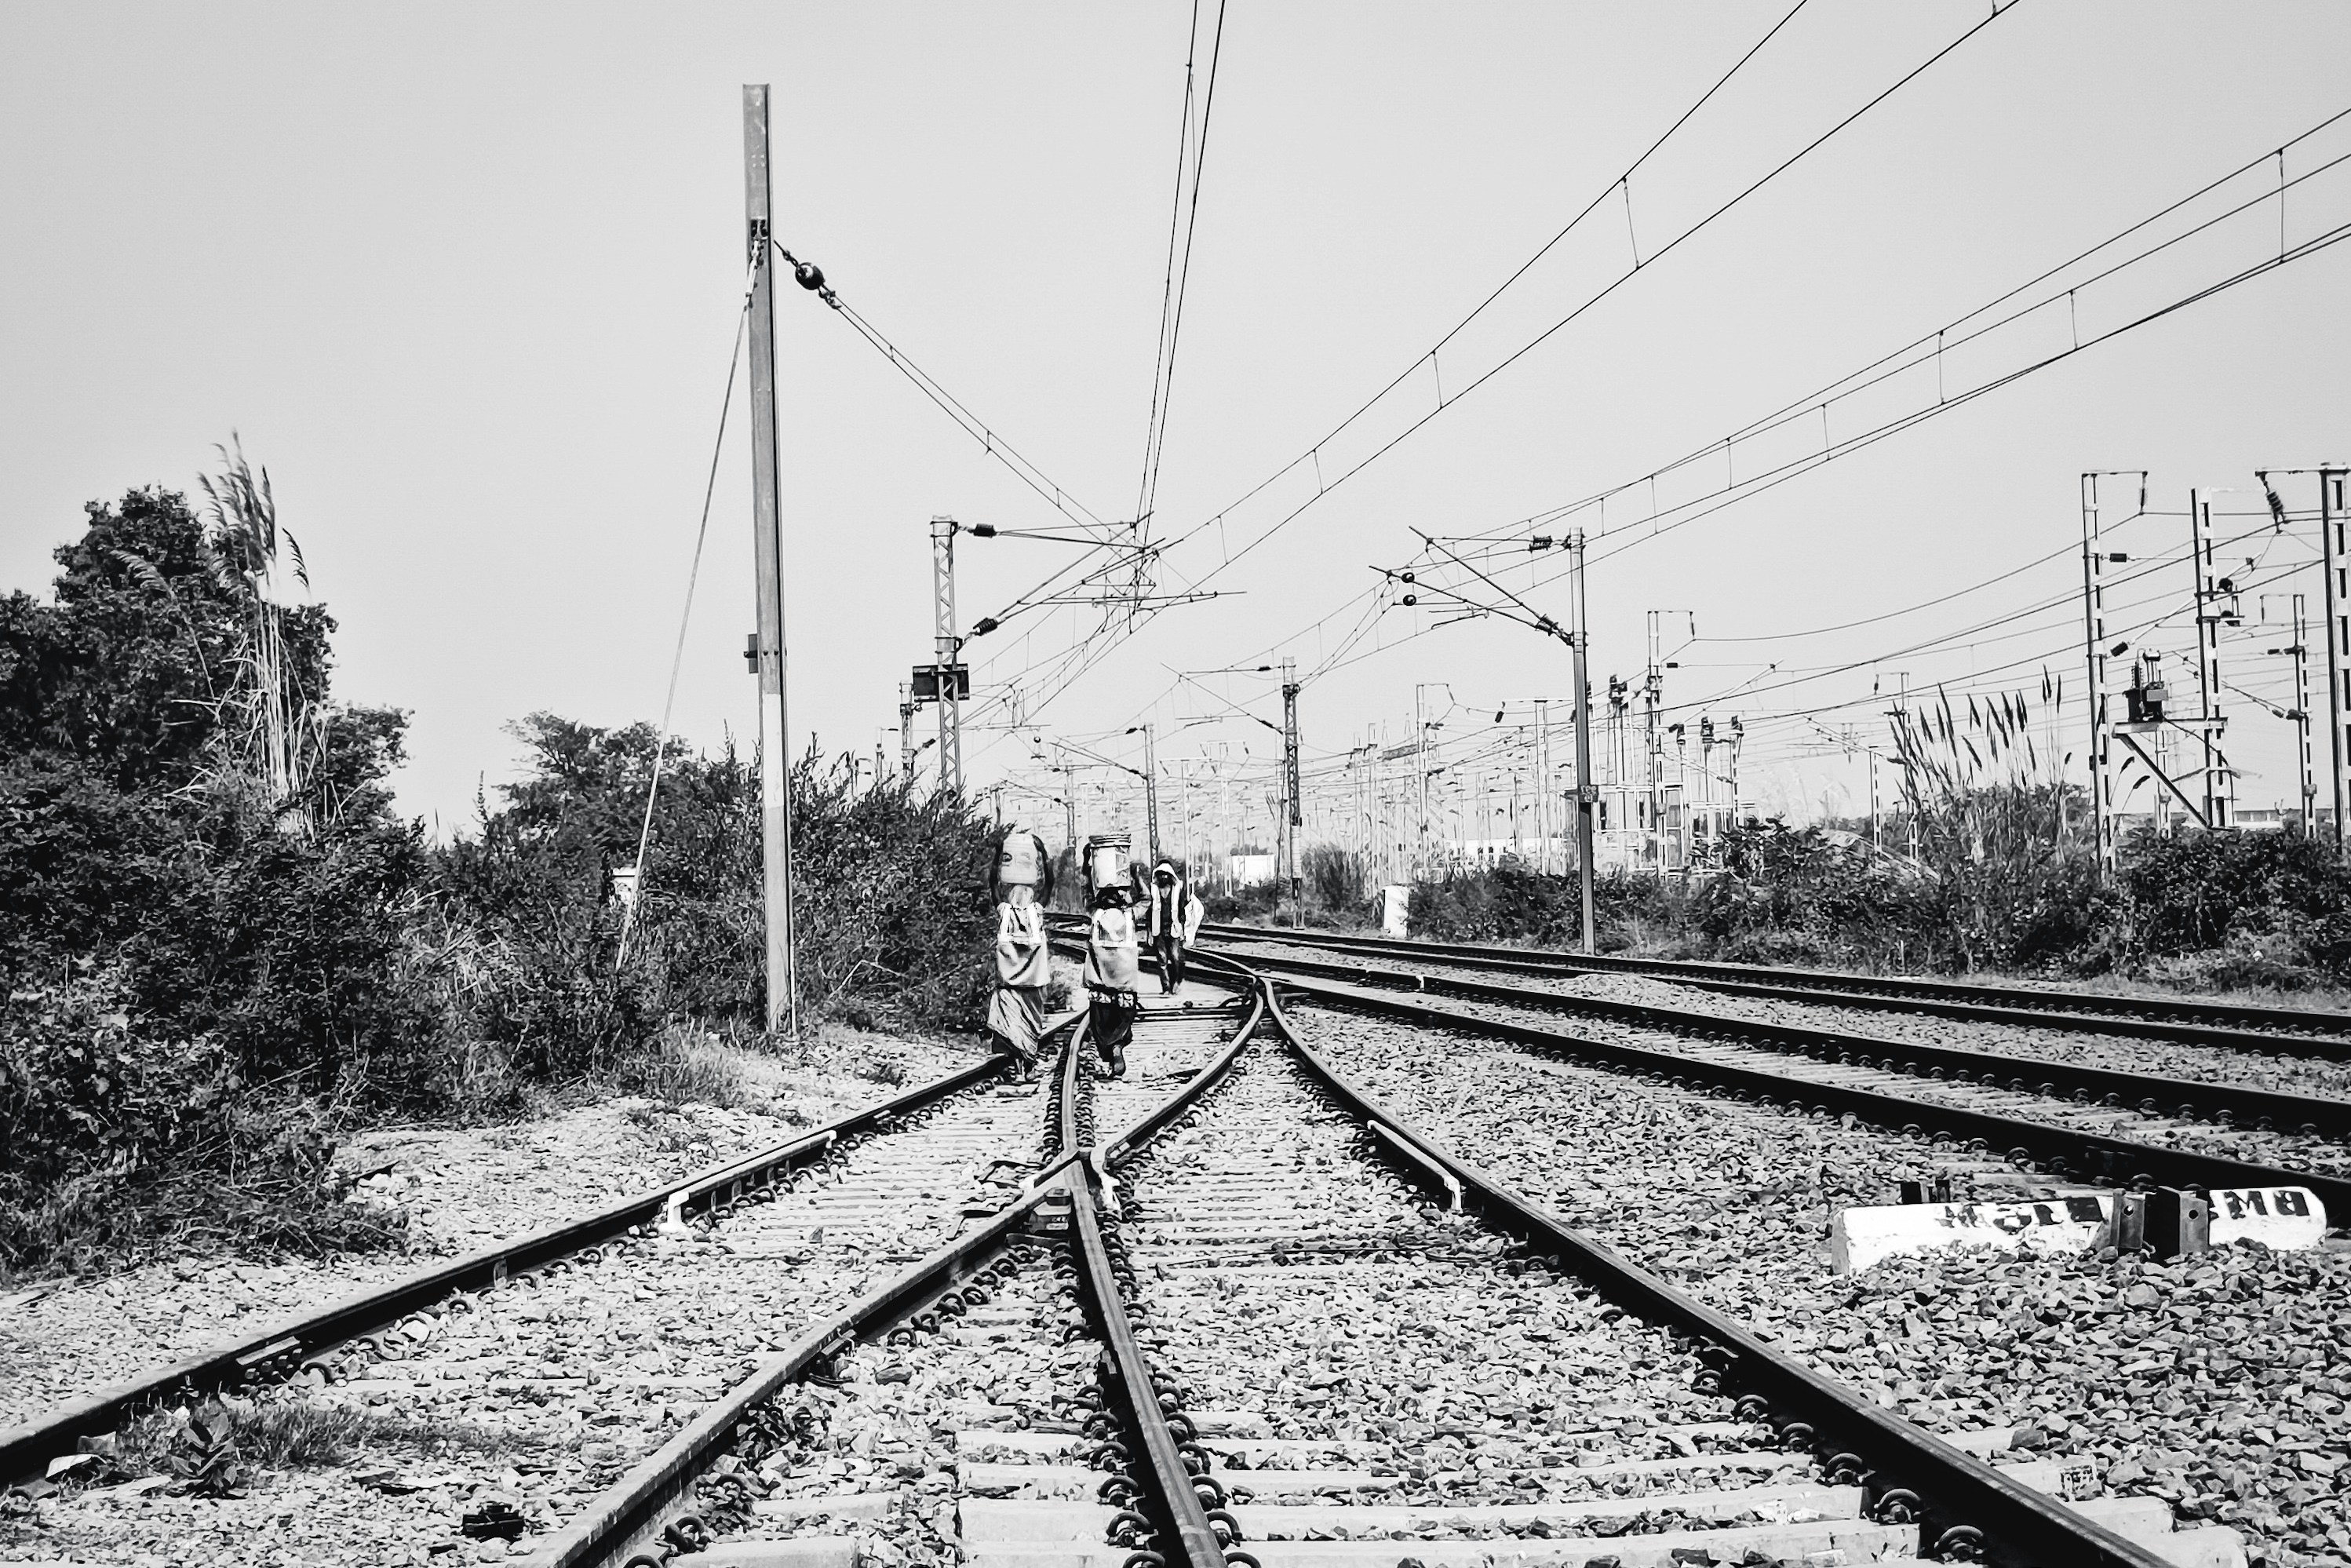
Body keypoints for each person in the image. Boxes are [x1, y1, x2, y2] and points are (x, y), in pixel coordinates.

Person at [986, 826, 1054, 1080]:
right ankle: (1027, 1066)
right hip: (1033, 984)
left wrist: (997, 856)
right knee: (1029, 1025)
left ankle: (1016, 1065)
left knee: (1010, 1025)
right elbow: (1050, 883)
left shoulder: (1003, 911)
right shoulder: (1037, 910)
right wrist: (1042, 856)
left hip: (1009, 984)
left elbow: (993, 884)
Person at [1083, 884, 1140, 1078]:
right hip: (1126, 985)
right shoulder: (1130, 916)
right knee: (1123, 1022)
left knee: (1100, 1027)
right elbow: (1147, 900)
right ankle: (1118, 1044)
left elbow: (1087, 895)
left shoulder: (1096, 915)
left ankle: (1110, 1051)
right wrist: (1135, 877)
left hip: (1101, 987)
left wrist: (1087, 871)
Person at [1143, 859, 1202, 996]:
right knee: (1162, 959)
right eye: (1161, 874)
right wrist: (1149, 931)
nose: (1163, 877)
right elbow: (1149, 912)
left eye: (1166, 874)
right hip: (1158, 929)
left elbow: (1183, 909)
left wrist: (1184, 927)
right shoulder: (1153, 890)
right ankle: (1166, 988)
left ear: (1170, 875)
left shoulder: (1178, 889)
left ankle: (1178, 981)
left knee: (1176, 957)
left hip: (1174, 928)